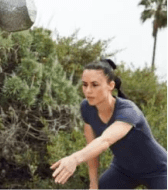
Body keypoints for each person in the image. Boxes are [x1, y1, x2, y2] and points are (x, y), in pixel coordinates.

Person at [50, 59, 167, 189]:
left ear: (111, 85)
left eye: (95, 85)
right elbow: (92, 147)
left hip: (158, 170)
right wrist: (93, 183)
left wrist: (74, 159)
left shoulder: (128, 110)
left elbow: (105, 140)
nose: (88, 91)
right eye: (84, 84)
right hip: (123, 170)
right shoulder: (87, 108)